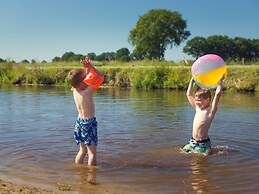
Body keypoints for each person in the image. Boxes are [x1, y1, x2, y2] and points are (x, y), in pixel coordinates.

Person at [67, 57, 102, 165]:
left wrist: (86, 69)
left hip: (79, 123)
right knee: (92, 153)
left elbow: (86, 79)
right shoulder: (87, 92)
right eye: (85, 78)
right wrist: (91, 67)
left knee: (82, 151)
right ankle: (92, 177)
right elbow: (99, 77)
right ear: (81, 83)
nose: (87, 78)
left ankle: (79, 172)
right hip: (89, 123)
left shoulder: (74, 90)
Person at [182, 76, 224, 155]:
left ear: (207, 100)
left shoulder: (210, 111)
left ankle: (212, 151)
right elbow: (188, 94)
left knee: (201, 161)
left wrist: (220, 83)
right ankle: (214, 150)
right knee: (182, 153)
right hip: (192, 142)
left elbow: (217, 95)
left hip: (203, 144)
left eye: (199, 100)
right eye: (196, 100)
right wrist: (192, 81)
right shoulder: (197, 108)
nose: (197, 102)